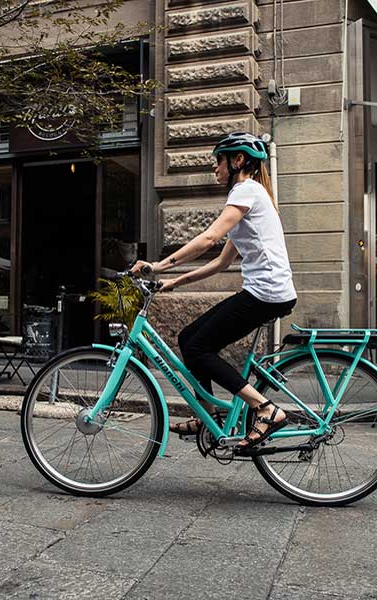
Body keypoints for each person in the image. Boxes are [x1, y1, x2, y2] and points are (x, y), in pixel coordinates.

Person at [131, 132, 297, 450]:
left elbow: (209, 239)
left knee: (199, 349)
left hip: (266, 293)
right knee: (187, 338)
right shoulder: (251, 198)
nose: (215, 168)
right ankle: (205, 415)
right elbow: (220, 263)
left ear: (237, 161)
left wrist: (159, 265)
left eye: (218, 161)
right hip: (265, 292)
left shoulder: (247, 191)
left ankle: (265, 408)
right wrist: (174, 282)